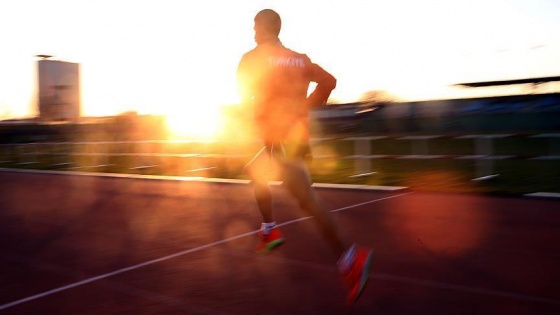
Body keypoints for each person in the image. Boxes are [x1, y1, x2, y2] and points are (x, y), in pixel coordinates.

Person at [236, 9, 373, 305]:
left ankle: (351, 257)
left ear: (266, 27)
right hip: (290, 137)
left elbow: (244, 95)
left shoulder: (252, 58)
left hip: (282, 140)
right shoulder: (300, 58)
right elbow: (330, 81)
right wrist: (305, 108)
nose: (253, 32)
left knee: (306, 199)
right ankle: (269, 230)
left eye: (255, 26)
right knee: (255, 170)